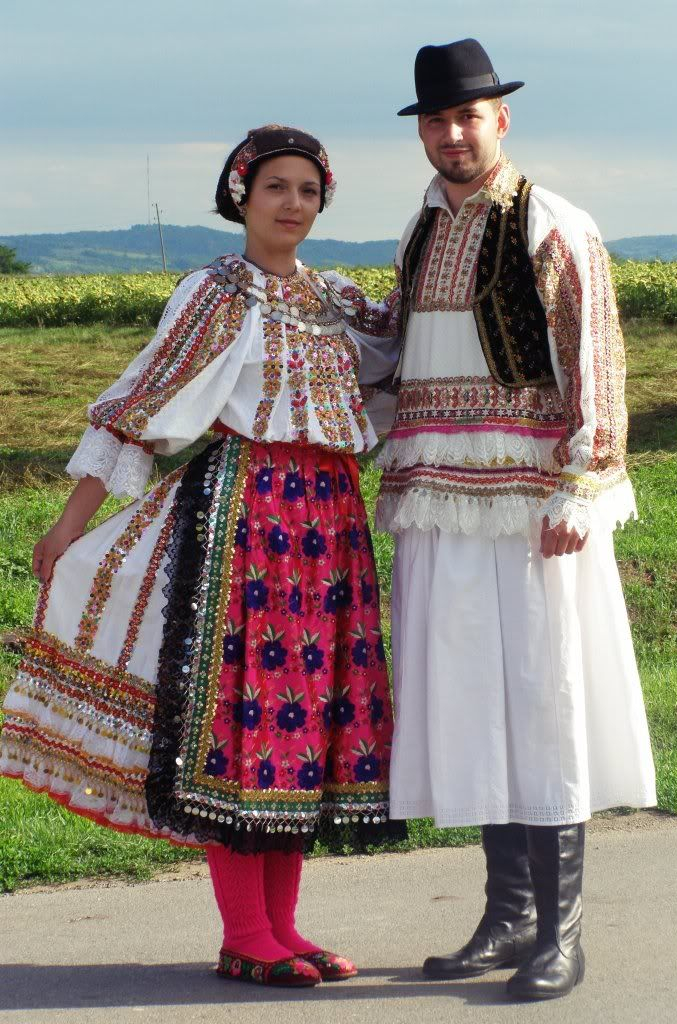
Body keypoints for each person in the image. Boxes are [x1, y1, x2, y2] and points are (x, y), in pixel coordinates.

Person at [0, 125, 403, 988]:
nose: (293, 204)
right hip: (249, 518)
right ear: (240, 196)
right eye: (276, 188)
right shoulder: (217, 292)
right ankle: (246, 933)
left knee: (306, 720)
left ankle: (283, 928)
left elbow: (411, 348)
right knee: (244, 720)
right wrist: (68, 527)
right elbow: (140, 407)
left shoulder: (336, 298)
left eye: (308, 190)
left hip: (332, 524)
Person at [333, 39, 657, 1002]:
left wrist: (582, 485)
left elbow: (595, 358)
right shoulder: (420, 228)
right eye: (436, 119)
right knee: (473, 703)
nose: (451, 133)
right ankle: (507, 914)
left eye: (467, 116)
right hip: (438, 502)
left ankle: (561, 932)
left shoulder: (550, 223)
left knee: (542, 703)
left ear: (500, 120)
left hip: (530, 507)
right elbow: (400, 350)